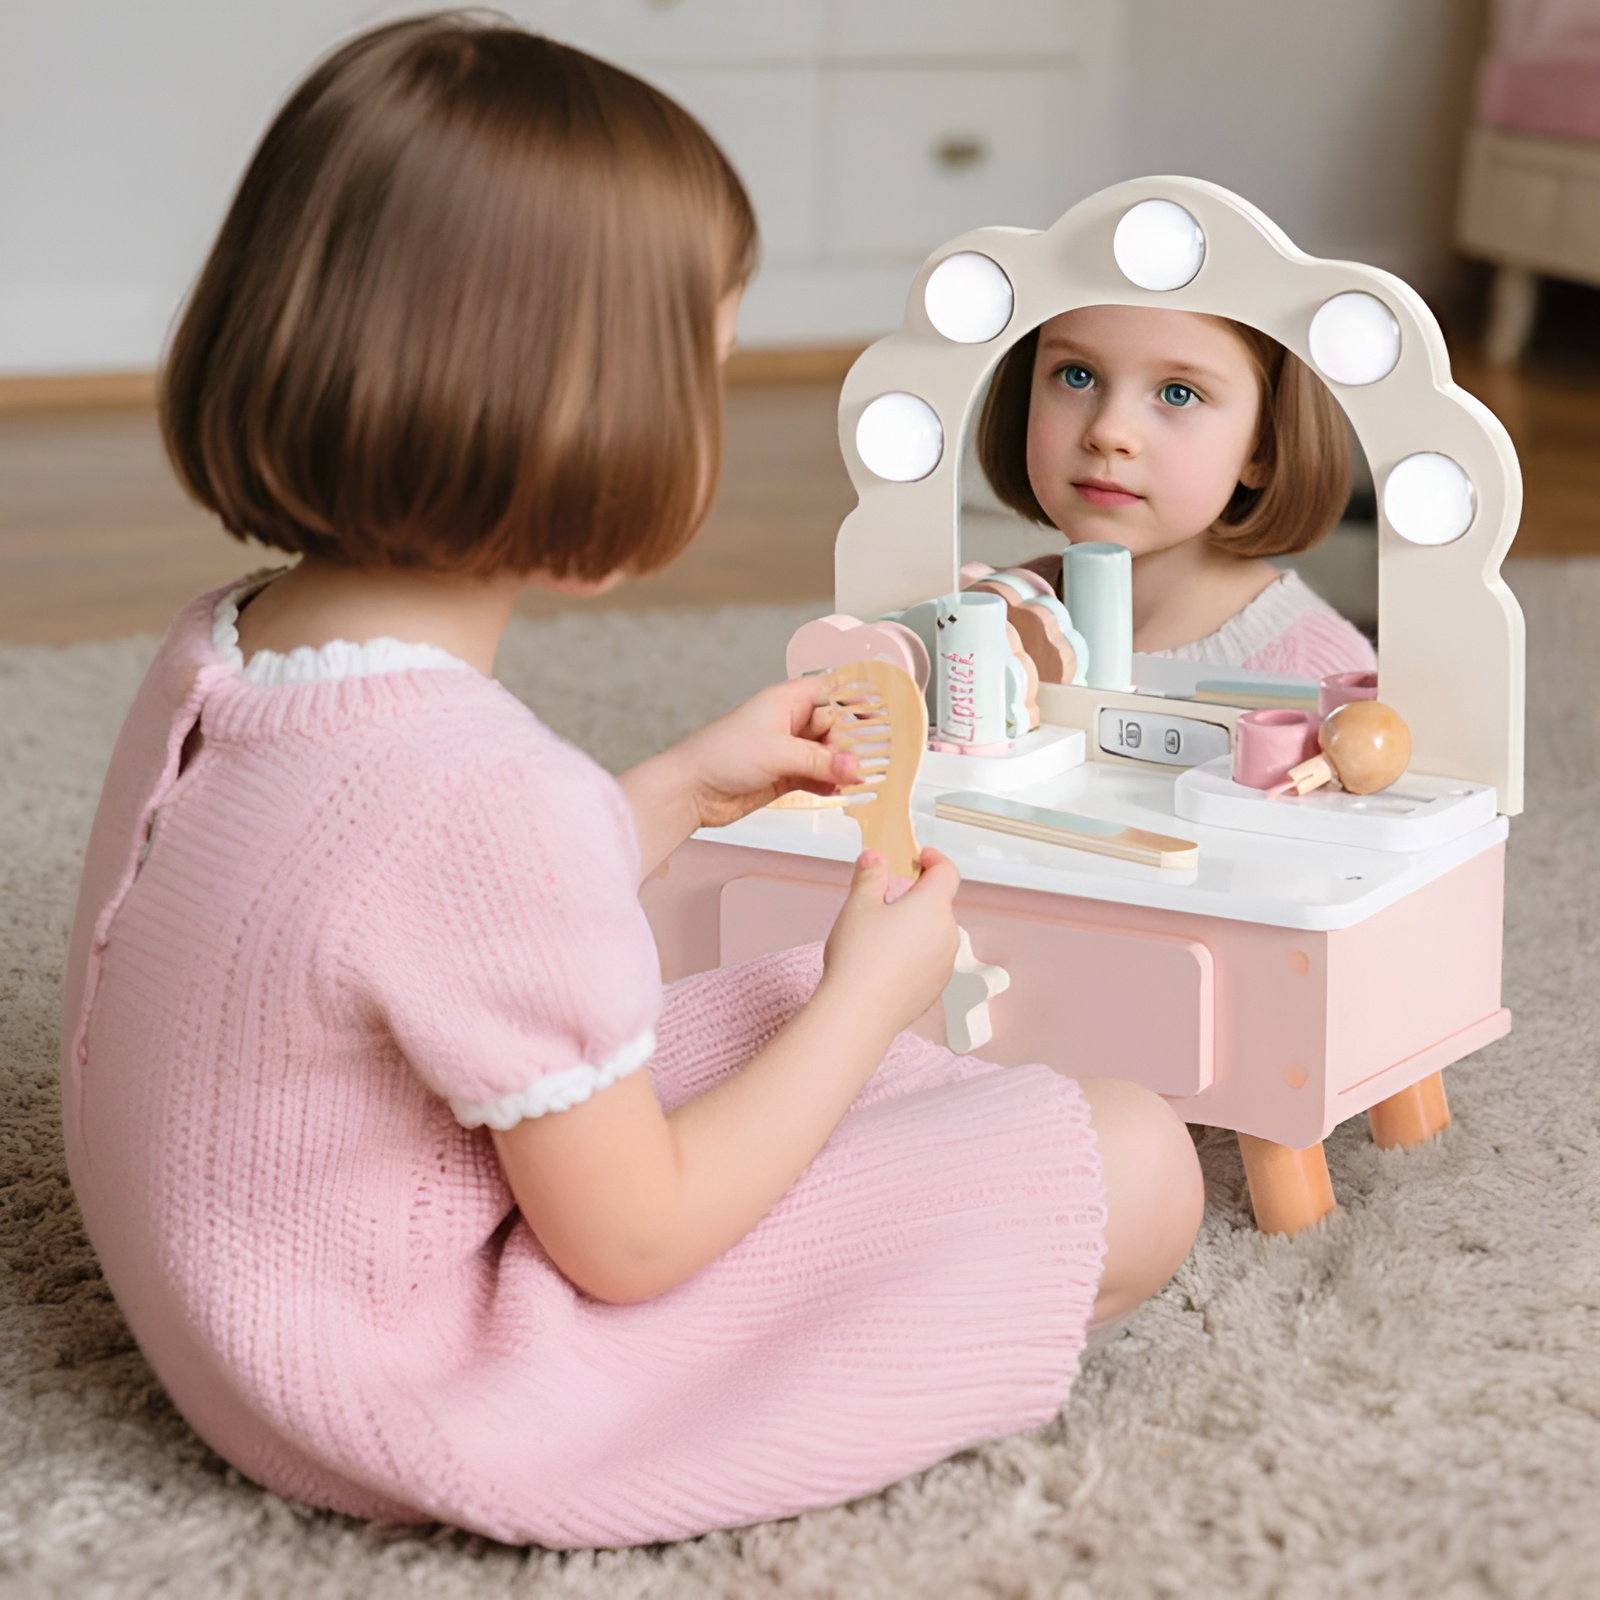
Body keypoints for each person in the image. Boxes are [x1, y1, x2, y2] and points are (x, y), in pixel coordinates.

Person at [60, 15, 1203, 1549]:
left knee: (777, 994)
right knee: (1132, 1159)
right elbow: (634, 1241)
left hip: (254, 1294)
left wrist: (663, 787)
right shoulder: (479, 798)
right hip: (410, 1381)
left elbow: (382, 914)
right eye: (708, 370)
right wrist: (872, 1000)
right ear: (577, 409)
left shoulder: (229, 652)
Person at [979, 304, 1377, 678]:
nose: (1108, 432)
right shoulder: (986, 616)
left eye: (1178, 393)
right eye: (1076, 375)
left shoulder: (1323, 671)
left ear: (1264, 449)